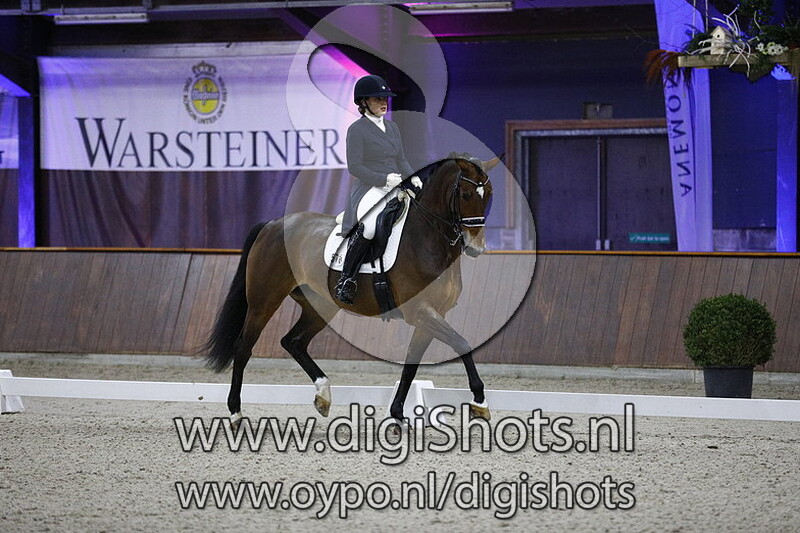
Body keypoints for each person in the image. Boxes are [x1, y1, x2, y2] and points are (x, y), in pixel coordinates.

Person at [335, 74, 422, 304]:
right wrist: (384, 179)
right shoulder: (357, 129)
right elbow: (355, 166)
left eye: (385, 98)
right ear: (364, 102)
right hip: (369, 187)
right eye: (378, 99)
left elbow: (401, 159)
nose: (384, 102)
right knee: (370, 226)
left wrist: (413, 177)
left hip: (395, 185)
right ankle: (346, 279)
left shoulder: (392, 127)